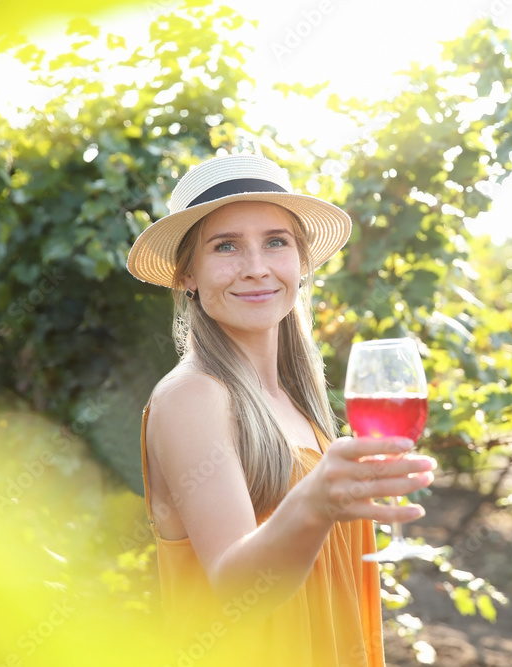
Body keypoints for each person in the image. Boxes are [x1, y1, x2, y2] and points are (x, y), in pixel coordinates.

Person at [126, 153, 436, 666]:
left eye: (276, 241)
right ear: (187, 275)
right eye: (226, 246)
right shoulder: (193, 396)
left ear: (300, 260)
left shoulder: (299, 402)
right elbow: (234, 591)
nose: (256, 268)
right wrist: (314, 502)